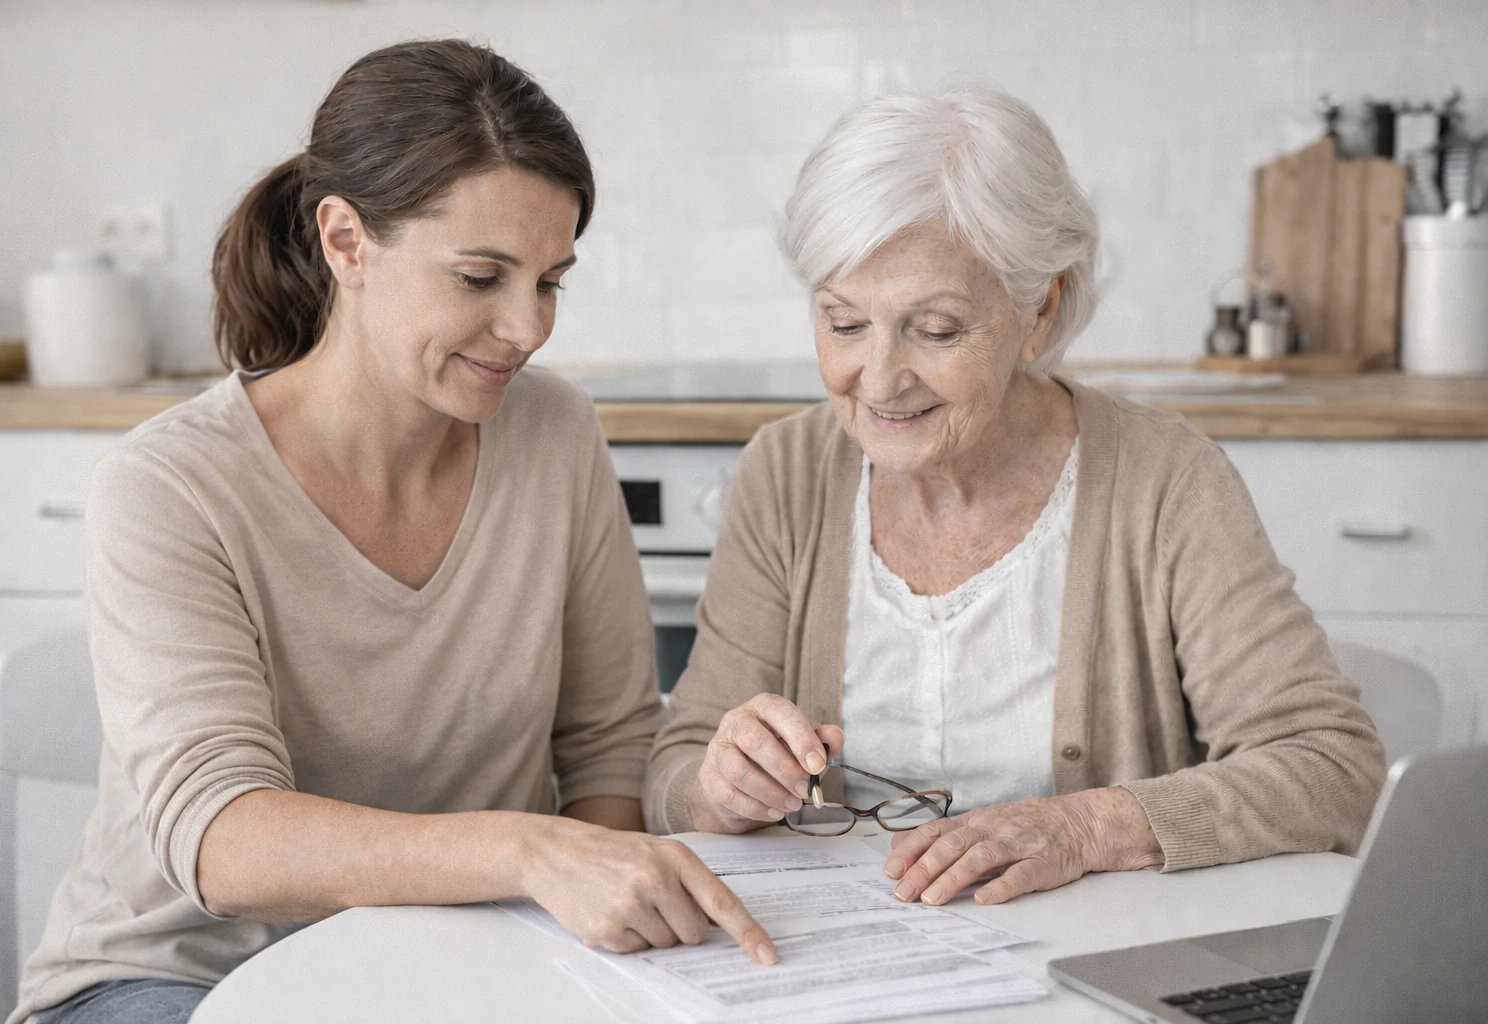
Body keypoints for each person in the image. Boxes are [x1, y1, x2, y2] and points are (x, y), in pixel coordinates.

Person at [14, 39, 772, 1024]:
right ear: (345, 242)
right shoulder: (173, 485)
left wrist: (614, 950)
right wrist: (525, 849)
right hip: (178, 976)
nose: (528, 326)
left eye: (550, 280)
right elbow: (226, 840)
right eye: (480, 277)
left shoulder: (554, 432)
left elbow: (608, 747)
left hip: (466, 964)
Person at [645, 88, 1387, 910]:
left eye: (934, 330)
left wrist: (1084, 828)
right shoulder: (784, 474)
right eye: (844, 323)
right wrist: (721, 788)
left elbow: (1330, 765)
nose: (880, 379)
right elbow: (676, 768)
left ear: (1042, 309)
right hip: (839, 961)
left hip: (1085, 968)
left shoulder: (1164, 481)